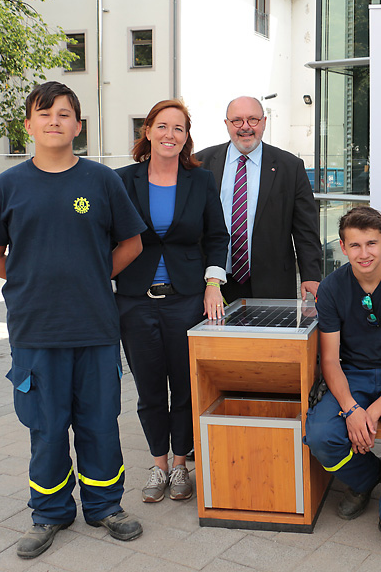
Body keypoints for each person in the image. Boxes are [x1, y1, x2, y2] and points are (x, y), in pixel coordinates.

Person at [0, 81, 147, 558]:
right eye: (44, 112)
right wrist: (31, 280)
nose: (55, 120)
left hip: (94, 327)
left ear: (78, 126)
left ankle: (105, 506)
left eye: (66, 113)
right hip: (36, 330)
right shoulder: (9, 185)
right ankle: (49, 514)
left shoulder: (101, 181)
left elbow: (131, 243)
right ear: (28, 124)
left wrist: (93, 275)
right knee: (46, 427)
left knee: (98, 422)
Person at [114, 100, 229, 503]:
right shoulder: (121, 180)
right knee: (148, 387)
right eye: (162, 126)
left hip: (185, 299)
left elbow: (217, 236)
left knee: (183, 386)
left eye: (178, 128)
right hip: (134, 299)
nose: (169, 134)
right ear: (147, 131)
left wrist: (213, 283)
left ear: (186, 137)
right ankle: (158, 463)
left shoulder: (201, 181)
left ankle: (181, 464)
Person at [304, 206, 381, 562]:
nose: (364, 253)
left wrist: (368, 414)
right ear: (342, 248)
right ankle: (367, 478)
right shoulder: (330, 288)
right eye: (355, 245)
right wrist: (350, 408)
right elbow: (329, 360)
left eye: (372, 243)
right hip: (353, 374)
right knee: (320, 436)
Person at [194, 96, 322, 302]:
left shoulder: (290, 167)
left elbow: (305, 228)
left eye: (253, 119)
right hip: (211, 285)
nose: (245, 127)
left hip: (272, 285)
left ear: (264, 122)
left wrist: (311, 275)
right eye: (237, 120)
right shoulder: (200, 163)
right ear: (226, 124)